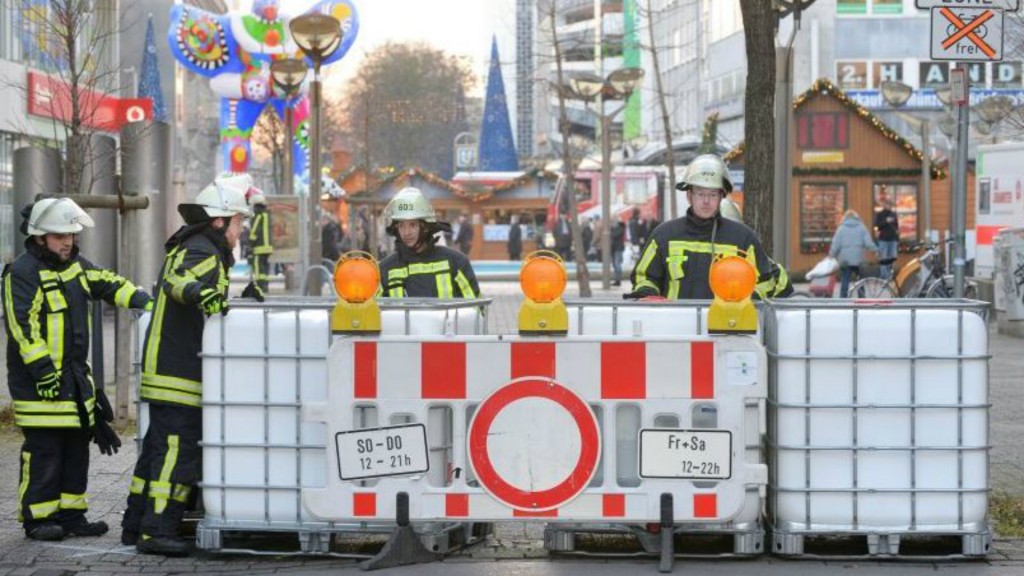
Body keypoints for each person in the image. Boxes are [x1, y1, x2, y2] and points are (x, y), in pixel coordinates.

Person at [2, 198, 151, 542]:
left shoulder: (76, 266)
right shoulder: (21, 272)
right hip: (37, 383)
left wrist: (144, 300)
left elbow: (108, 282)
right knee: (45, 451)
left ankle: (72, 516)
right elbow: (22, 328)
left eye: (70, 234)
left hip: (74, 381)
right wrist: (44, 373)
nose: (67, 241)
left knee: (75, 449)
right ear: (40, 237)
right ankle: (38, 519)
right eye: (59, 236)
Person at [122, 174, 253, 556]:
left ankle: (136, 525)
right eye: (238, 221)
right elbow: (179, 282)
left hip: (169, 370)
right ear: (219, 220)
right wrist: (204, 293)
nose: (240, 229)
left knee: (156, 453)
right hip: (178, 374)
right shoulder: (202, 250)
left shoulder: (196, 246)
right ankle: (157, 530)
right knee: (176, 454)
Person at [630, 154, 792, 300]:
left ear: (721, 196)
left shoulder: (742, 238)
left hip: (727, 328)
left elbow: (768, 280)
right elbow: (644, 277)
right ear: (689, 195)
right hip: (677, 328)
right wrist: (649, 297)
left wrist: (748, 299)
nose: (706, 201)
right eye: (700, 193)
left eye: (712, 194)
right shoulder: (664, 236)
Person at [377, 187, 480, 298]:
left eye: (412, 225)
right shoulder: (385, 269)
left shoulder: (457, 263)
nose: (406, 233)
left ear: (425, 226)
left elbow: (476, 309)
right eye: (401, 225)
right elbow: (375, 312)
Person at [830, 209, 878, 298]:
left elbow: (835, 243)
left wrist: (831, 254)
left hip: (845, 259)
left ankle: (843, 299)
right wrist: (875, 250)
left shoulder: (841, 228)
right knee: (860, 280)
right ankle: (861, 297)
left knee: (845, 279)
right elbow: (868, 242)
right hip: (858, 259)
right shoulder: (861, 227)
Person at [247, 190, 272, 297]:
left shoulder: (258, 214)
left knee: (257, 266)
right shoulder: (267, 213)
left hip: (259, 246)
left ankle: (260, 286)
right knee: (265, 266)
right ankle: (265, 284)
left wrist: (250, 243)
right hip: (268, 247)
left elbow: (254, 230)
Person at [874, 199, 899, 279]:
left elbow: (896, 226)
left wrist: (897, 237)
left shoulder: (893, 214)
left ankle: (889, 275)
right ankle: (884, 276)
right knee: (883, 258)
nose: (889, 206)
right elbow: (877, 225)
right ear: (884, 205)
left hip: (893, 239)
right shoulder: (880, 214)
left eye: (890, 205)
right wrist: (886, 221)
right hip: (883, 239)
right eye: (888, 205)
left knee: (891, 258)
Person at [610, 218, 626, 286]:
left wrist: (611, 231)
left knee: (617, 264)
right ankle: (616, 279)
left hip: (618, 248)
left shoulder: (620, 228)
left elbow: (614, 235)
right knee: (614, 264)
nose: (612, 223)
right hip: (613, 248)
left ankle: (618, 280)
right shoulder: (613, 228)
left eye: (613, 221)